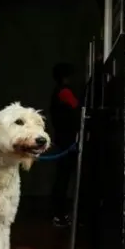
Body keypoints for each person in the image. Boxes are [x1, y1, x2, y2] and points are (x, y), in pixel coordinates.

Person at [49, 62, 81, 227]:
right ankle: (58, 215)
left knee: (63, 177)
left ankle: (60, 214)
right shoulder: (64, 92)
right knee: (63, 178)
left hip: (63, 139)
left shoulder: (58, 92)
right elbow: (78, 108)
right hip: (67, 141)